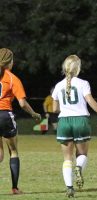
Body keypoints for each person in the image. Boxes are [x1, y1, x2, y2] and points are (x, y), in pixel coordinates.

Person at [52, 55, 97, 197]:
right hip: (81, 121)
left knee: (67, 158)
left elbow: (54, 109)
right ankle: (78, 168)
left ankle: (70, 188)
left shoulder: (58, 85)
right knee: (82, 154)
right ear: (77, 68)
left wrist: (66, 109)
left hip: (64, 122)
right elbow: (90, 101)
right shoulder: (83, 83)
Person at [0, 48, 41, 194]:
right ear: (9, 62)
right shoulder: (12, 78)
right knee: (13, 151)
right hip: (5, 116)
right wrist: (34, 114)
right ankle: (15, 188)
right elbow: (23, 104)